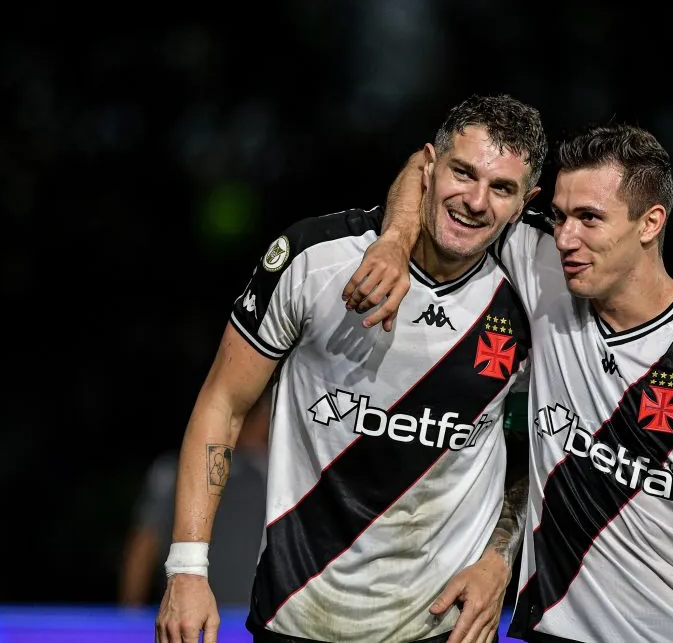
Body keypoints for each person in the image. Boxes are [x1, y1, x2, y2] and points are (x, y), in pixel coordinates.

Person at [342, 123, 673, 642]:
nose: (565, 238)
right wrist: (396, 242)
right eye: (558, 216)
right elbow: (427, 171)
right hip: (554, 630)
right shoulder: (546, 270)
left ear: (649, 223)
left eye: (589, 219)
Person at [155, 93, 548, 643]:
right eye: (463, 172)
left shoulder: (537, 299)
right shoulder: (315, 258)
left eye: (501, 188)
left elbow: (543, 450)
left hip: (440, 627)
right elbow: (224, 403)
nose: (476, 200)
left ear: (525, 200)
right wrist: (187, 570)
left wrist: (499, 560)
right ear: (429, 166)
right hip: (296, 612)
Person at [120, 385, 270, 607]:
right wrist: (129, 618)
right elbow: (143, 546)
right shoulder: (172, 471)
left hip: (249, 621)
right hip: (190, 618)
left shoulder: (269, 472)